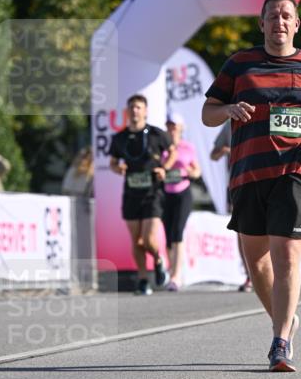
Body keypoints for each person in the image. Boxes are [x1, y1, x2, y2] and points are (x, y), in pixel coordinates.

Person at [202, 0, 301, 371]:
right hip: (249, 172)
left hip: (298, 171)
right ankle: (285, 318)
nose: (279, 22)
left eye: (286, 16)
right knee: (257, 262)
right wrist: (229, 108)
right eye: (273, 16)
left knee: (286, 253)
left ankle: (280, 342)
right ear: (261, 23)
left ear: (296, 24)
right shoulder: (240, 65)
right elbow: (207, 112)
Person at [108, 94, 175, 295]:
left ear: (145, 111)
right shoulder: (119, 138)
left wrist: (165, 168)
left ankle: (158, 259)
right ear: (128, 112)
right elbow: (112, 162)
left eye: (138, 107)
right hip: (130, 193)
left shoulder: (157, 134)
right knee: (135, 240)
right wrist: (117, 168)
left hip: (152, 193)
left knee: (148, 239)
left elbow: (173, 152)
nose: (135, 111)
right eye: (132, 108)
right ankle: (143, 279)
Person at [210, 121, 253, 292]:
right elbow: (213, 155)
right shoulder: (231, 123)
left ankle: (269, 272)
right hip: (239, 182)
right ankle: (250, 275)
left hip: (268, 179)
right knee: (242, 230)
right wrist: (225, 150)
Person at [162, 113, 201, 291]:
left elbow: (197, 170)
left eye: (175, 126)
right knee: (168, 235)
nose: (172, 129)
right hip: (165, 193)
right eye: (169, 125)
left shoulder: (188, 147)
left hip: (183, 192)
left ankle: (176, 276)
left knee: (178, 232)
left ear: (181, 128)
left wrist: (190, 173)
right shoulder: (161, 147)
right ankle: (171, 271)